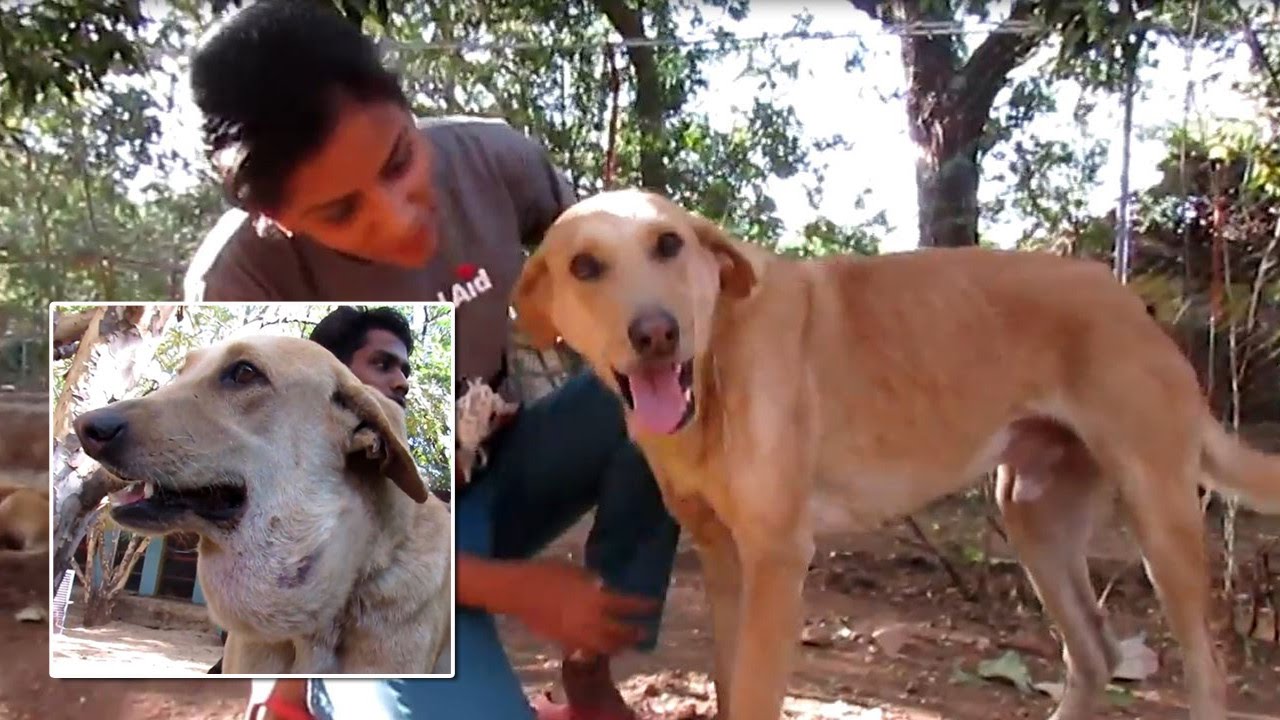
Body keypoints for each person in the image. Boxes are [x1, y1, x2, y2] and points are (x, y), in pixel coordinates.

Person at [182, 3, 680, 719]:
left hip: (496, 484)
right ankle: (305, 688)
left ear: (406, 110)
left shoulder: (496, 160)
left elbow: (619, 273)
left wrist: (588, 316)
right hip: (364, 562)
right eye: (342, 214)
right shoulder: (238, 286)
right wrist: (514, 590)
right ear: (280, 221)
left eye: (399, 161)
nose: (397, 216)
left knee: (653, 396)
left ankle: (591, 674)